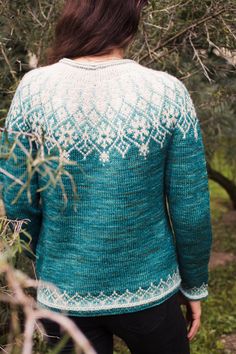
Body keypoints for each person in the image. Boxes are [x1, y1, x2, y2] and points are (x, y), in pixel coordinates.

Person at [0, 0, 213, 353]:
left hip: (64, 293)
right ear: (129, 21)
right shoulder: (167, 92)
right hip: (152, 292)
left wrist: (49, 257)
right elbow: (191, 208)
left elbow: (19, 199)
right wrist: (193, 285)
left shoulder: (32, 90)